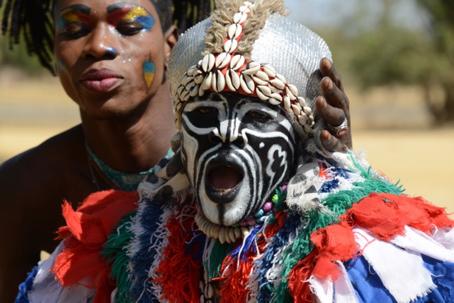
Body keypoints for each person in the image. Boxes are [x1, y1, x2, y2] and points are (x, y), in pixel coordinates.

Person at [16, 0, 454, 302]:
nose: (226, 132)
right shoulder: (127, 240)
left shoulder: (359, 258)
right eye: (204, 116)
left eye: (259, 118)